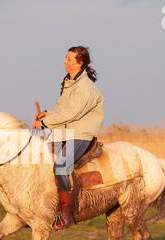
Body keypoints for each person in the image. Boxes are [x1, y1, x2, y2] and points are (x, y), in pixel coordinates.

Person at [32, 46, 105, 230]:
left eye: (69, 59)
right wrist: (48, 114)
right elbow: (64, 110)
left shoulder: (85, 87)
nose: (65, 61)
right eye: (66, 57)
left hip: (80, 134)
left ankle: (67, 215)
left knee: (61, 165)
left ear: (80, 63)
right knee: (40, 160)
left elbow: (71, 113)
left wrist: (45, 123)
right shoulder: (69, 82)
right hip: (65, 131)